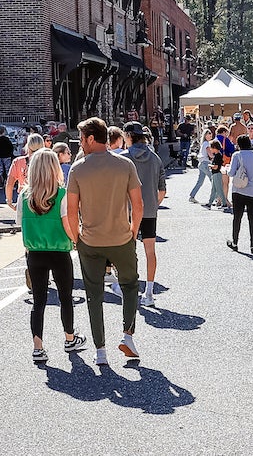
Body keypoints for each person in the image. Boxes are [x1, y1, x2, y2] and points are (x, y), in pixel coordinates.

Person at [66, 117, 143, 365]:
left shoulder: (77, 169)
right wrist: (133, 231)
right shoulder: (125, 164)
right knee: (130, 285)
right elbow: (138, 205)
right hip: (121, 237)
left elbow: (70, 211)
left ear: (90, 139)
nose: (80, 144)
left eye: (81, 139)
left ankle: (101, 351)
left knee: (94, 294)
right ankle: (127, 335)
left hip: (90, 239)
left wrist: (77, 238)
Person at [20, 148, 86, 364]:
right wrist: (76, 240)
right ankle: (69, 338)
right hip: (59, 251)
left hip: (35, 252)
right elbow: (68, 224)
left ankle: (38, 347)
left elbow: (20, 224)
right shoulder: (61, 195)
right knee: (65, 297)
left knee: (38, 301)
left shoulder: (24, 196)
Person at [120, 122, 167, 307]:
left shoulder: (123, 158)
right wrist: (154, 205)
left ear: (128, 135)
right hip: (149, 210)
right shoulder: (155, 158)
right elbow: (161, 189)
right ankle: (149, 292)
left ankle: (127, 289)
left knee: (126, 251)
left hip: (127, 211)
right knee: (150, 251)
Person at [226, 135, 253, 254]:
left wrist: (227, 169)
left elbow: (231, 173)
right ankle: (252, 245)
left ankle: (235, 242)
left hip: (238, 190)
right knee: (252, 218)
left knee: (237, 217)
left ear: (239, 144)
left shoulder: (237, 155)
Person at [6, 134, 46, 212]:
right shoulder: (47, 161)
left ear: (28, 146)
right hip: (44, 199)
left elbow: (10, 183)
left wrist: (9, 201)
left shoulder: (18, 162)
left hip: (24, 198)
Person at [189, 129, 215, 203]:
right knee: (213, 180)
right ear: (205, 135)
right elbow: (210, 154)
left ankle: (192, 196)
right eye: (208, 133)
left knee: (200, 181)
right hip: (206, 163)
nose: (210, 135)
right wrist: (215, 157)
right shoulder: (207, 144)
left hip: (201, 163)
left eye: (211, 133)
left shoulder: (204, 143)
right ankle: (217, 198)